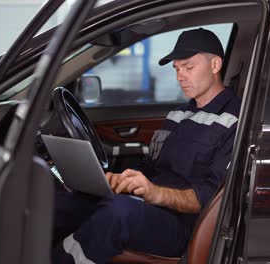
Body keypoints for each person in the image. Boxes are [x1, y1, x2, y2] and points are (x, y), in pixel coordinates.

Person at [52, 28, 241, 264]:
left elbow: (209, 198)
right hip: (149, 206)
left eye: (188, 67)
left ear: (215, 65)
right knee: (62, 203)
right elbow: (151, 165)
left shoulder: (235, 121)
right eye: (177, 68)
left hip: (182, 225)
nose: (180, 75)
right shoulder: (178, 114)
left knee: (118, 213)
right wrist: (122, 181)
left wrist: (154, 193)